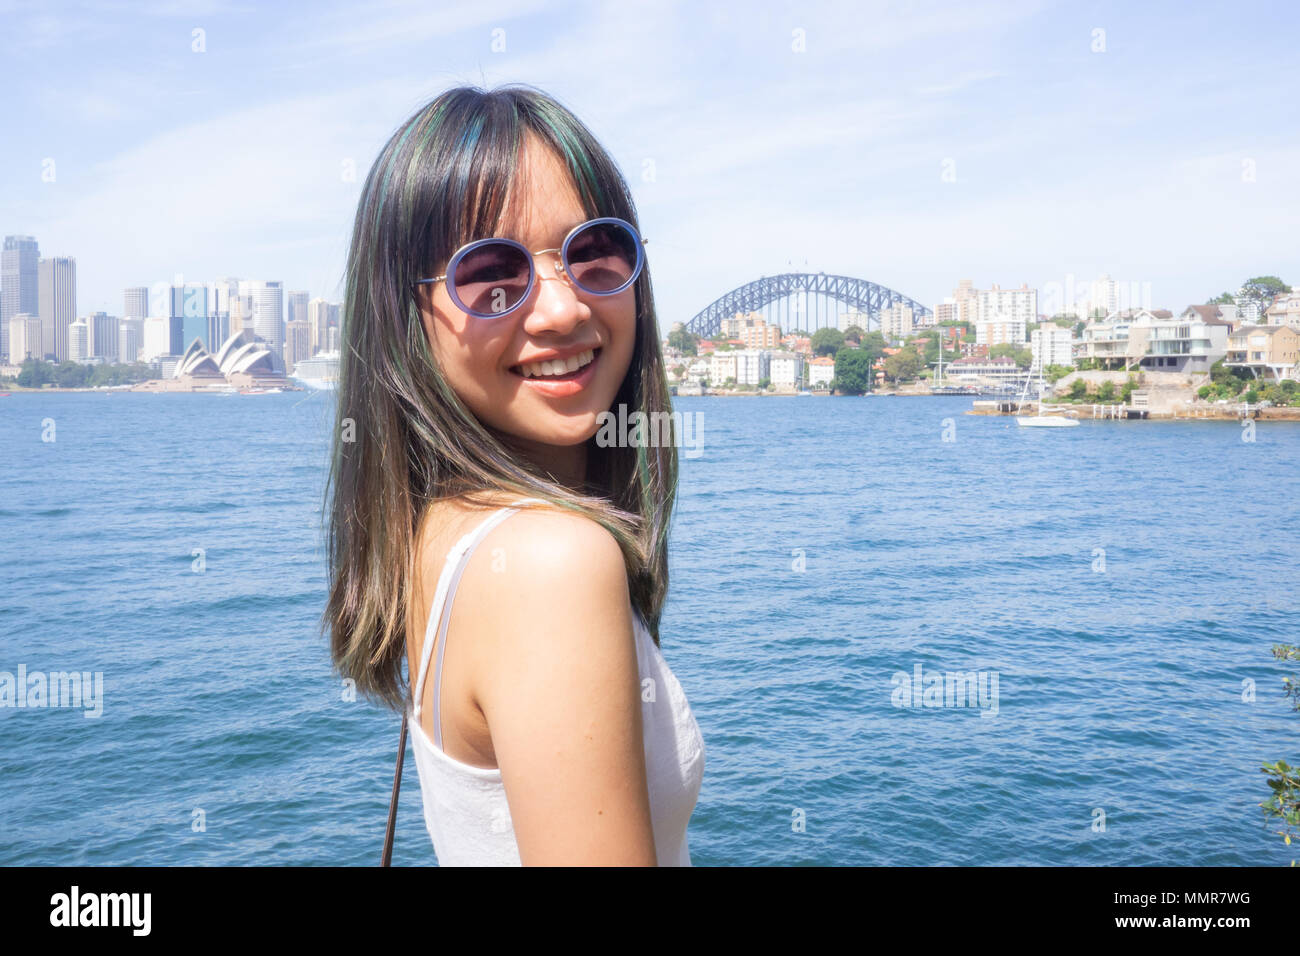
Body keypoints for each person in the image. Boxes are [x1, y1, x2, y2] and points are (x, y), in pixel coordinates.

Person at [324, 83, 705, 866]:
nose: (561, 309)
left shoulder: (439, 529)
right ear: (405, 318)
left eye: (595, 253)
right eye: (490, 274)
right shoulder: (549, 564)